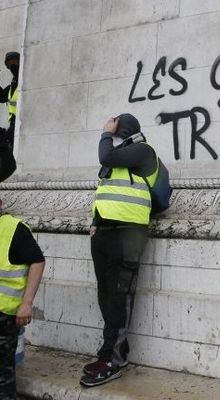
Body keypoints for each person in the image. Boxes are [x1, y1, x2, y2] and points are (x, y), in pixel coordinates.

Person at [80, 113, 157, 387]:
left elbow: (106, 157)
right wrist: (95, 223)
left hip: (129, 235)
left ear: (122, 129)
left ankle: (112, 359)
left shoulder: (141, 150)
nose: (110, 131)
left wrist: (104, 133)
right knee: (105, 294)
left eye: (114, 127)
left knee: (118, 296)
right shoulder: (119, 158)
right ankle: (112, 352)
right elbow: (107, 192)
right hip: (105, 232)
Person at [0, 198, 45, 400]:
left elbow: (37, 261)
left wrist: (26, 303)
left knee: (3, 376)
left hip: (4, 315)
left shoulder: (13, 228)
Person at [0, 52, 19, 182]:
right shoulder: (13, 84)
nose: (12, 66)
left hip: (19, 124)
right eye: (9, 64)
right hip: (13, 125)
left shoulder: (21, 80)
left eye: (14, 62)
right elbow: (2, 97)